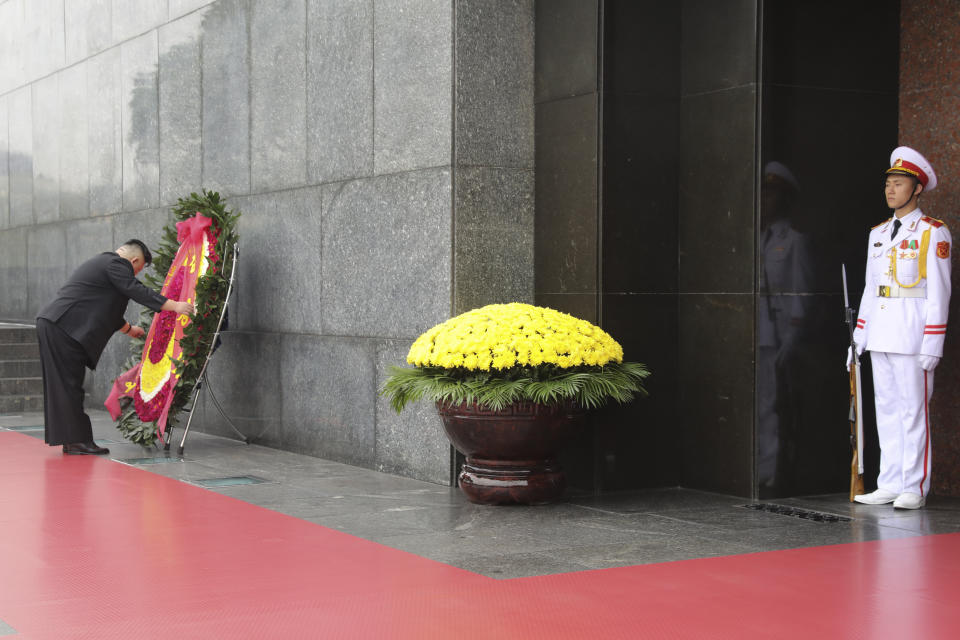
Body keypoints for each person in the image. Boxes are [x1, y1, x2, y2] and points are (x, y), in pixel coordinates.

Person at [849, 147, 951, 509]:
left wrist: (932, 343)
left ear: (917, 189)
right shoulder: (877, 233)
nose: (891, 190)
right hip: (880, 334)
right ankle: (889, 482)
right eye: (889, 183)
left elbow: (939, 291)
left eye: (899, 183)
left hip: (912, 335)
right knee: (887, 410)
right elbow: (870, 287)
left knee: (913, 412)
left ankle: (914, 485)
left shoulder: (932, 233)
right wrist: (859, 336)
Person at [36, 240, 196, 455]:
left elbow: (104, 307)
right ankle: (76, 441)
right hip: (63, 327)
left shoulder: (104, 265)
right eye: (137, 270)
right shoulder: (116, 264)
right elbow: (134, 290)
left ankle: (72, 440)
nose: (134, 275)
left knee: (65, 385)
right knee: (68, 385)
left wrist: (129, 329)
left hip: (58, 325)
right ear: (134, 260)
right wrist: (175, 306)